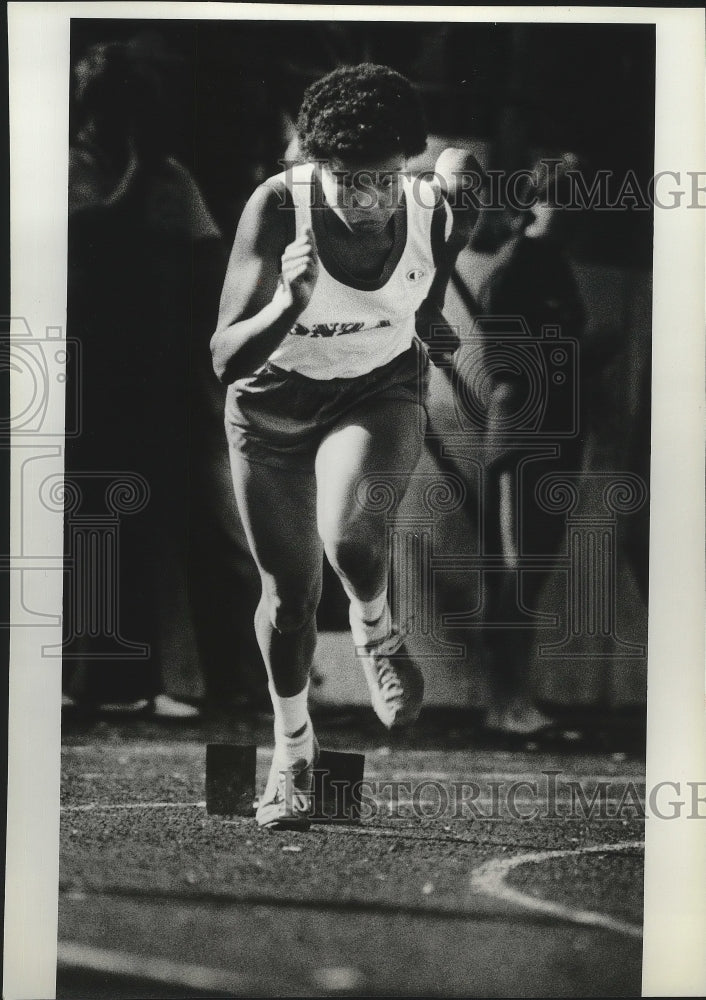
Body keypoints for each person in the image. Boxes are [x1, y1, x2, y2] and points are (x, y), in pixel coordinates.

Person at [211, 64, 477, 829]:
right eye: (350, 181)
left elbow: (434, 283)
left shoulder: (437, 207)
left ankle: (377, 631)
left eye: (386, 181)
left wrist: (428, 317)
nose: (370, 200)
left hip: (377, 394)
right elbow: (225, 359)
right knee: (291, 599)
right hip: (270, 413)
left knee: (353, 539)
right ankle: (293, 755)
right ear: (313, 166)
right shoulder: (275, 208)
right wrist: (287, 305)